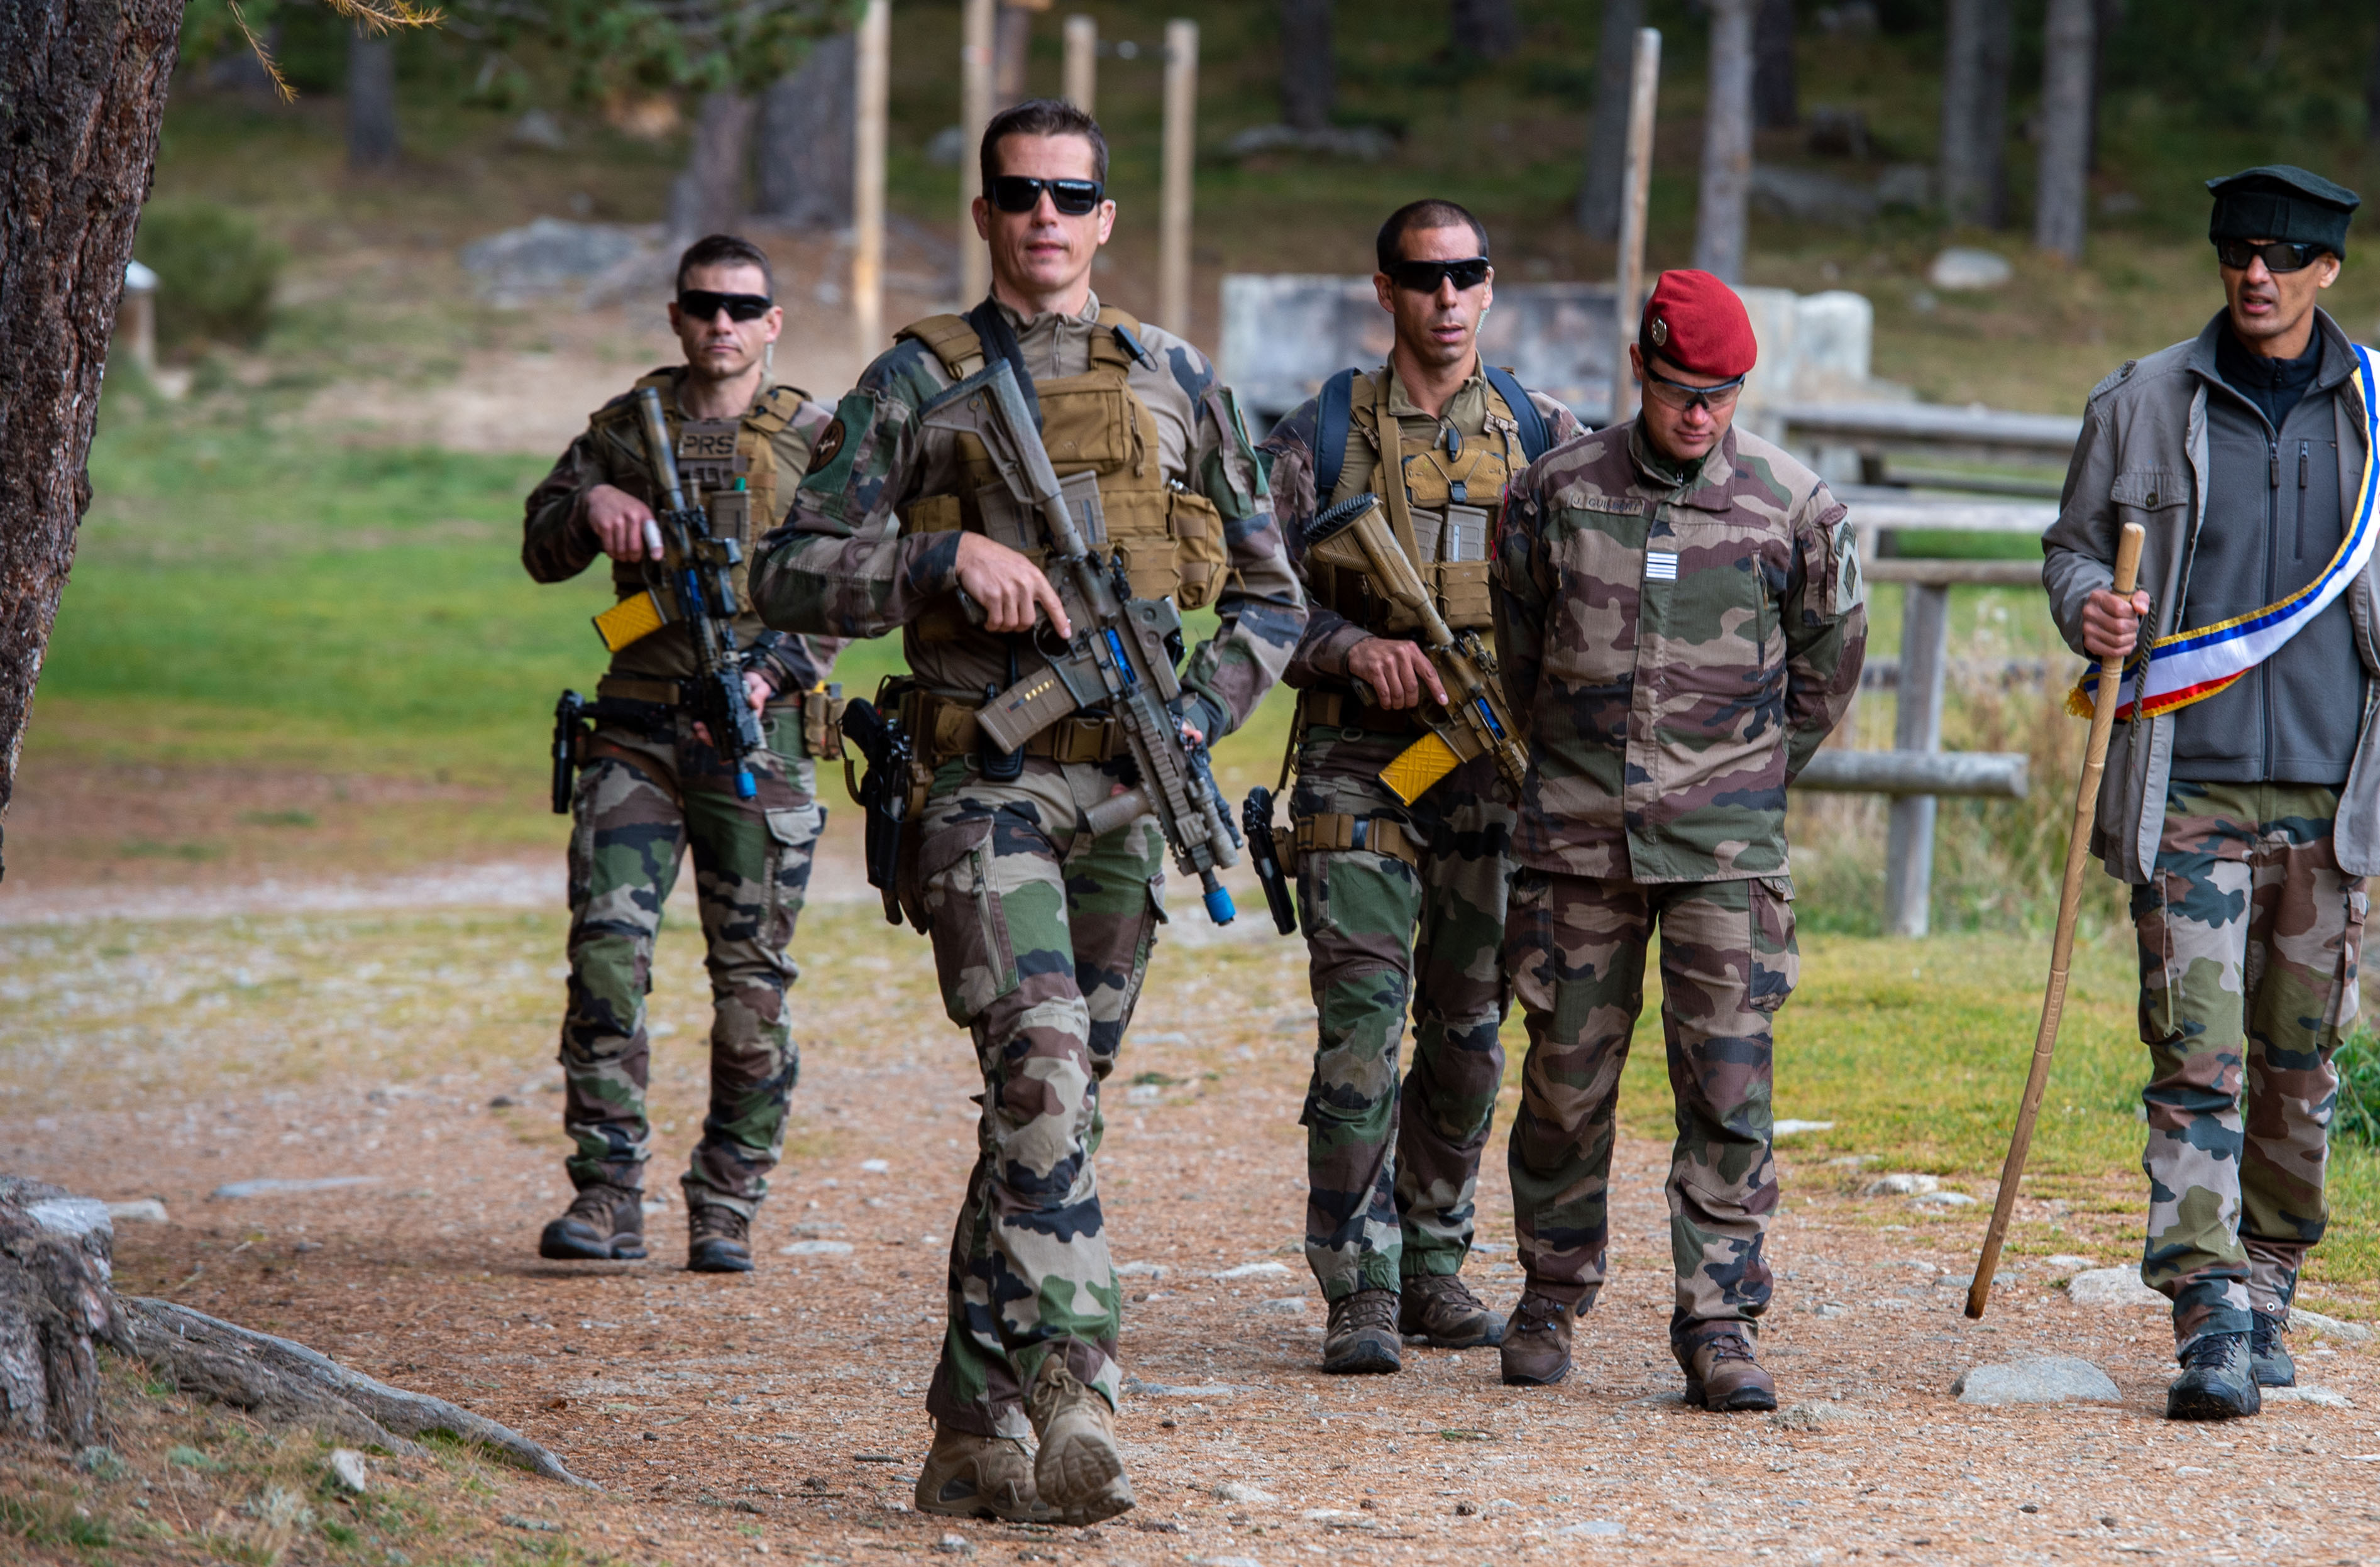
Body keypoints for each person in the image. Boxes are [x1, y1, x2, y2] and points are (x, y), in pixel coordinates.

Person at [749, 99, 1302, 1525]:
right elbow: (790, 572)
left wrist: (1193, 716)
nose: (1045, 216)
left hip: (1128, 787)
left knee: (1046, 1112)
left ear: (1104, 218)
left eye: (1072, 194)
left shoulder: (1178, 381)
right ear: (986, 214)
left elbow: (1268, 596)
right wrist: (940, 555)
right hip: (978, 785)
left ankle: (964, 1423)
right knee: (1044, 1059)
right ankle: (1078, 1386)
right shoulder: (914, 381)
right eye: (1020, 193)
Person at [2041, 165, 2380, 1421]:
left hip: (2329, 797)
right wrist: (2082, 609)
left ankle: (2270, 1277)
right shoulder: (2141, 402)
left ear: (2327, 269)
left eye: (2278, 255)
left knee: (2296, 1060)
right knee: (2194, 1057)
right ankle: (2207, 1305)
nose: (2252, 274)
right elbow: (2066, 547)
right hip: (2185, 788)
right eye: (2234, 252)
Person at [1489, 269, 1866, 1412]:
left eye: (1721, 394)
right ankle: (1551, 1289)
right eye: (1678, 390)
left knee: (1728, 1085)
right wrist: (1578, 768)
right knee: (1564, 1076)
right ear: (1641, 373)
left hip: (1725, 852)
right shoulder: (1554, 493)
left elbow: (1827, 670)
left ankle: (1718, 1317)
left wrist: (1741, 775)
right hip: (1579, 841)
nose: (1698, 413)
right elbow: (1519, 651)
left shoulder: (1797, 509)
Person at [1255, 201, 1585, 1376]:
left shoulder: (1548, 436)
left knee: (1467, 1032)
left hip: (1491, 766)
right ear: (1384, 289)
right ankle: (1358, 1283)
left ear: (1490, 288)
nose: (1448, 298)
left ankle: (1434, 1262)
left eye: (1468, 276)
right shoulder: (1320, 434)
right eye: (1423, 277)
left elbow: (1593, 604)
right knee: (1360, 1023)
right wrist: (1354, 651)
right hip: (1362, 762)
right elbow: (1252, 600)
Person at [521, 233, 843, 1275]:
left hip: (758, 735)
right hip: (637, 729)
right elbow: (540, 543)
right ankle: (608, 1195)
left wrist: (774, 668)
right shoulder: (627, 427)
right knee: (607, 959)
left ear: (772, 322)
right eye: (704, 305)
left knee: (751, 983)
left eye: (743, 308)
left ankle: (729, 1200)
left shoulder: (813, 437)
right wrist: (590, 507)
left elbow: (864, 580)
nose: (722, 324)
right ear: (676, 315)